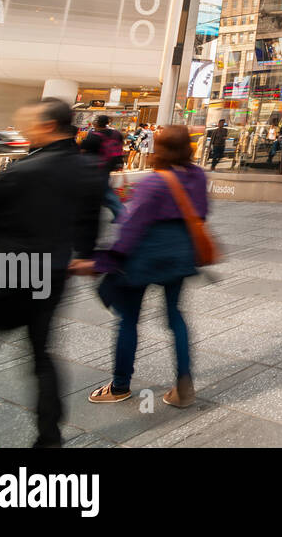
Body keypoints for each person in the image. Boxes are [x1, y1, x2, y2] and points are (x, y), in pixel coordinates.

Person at [0, 98, 103, 447]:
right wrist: (84, 256)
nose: (22, 131)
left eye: (27, 124)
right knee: (41, 359)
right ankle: (49, 437)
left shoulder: (23, 172)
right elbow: (90, 221)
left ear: (48, 125)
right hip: (49, 277)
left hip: (0, 278)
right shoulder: (85, 169)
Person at [70, 124, 204, 408]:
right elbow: (202, 214)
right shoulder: (198, 177)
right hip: (180, 257)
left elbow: (131, 229)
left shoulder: (153, 183)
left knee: (128, 320)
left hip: (143, 260)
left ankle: (119, 385)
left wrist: (105, 260)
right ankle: (184, 384)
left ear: (160, 149)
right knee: (175, 317)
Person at [80, 114, 126, 222]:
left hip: (95, 167)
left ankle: (121, 213)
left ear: (96, 123)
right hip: (110, 164)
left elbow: (83, 150)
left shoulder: (93, 136)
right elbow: (120, 147)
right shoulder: (116, 133)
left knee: (105, 192)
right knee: (102, 190)